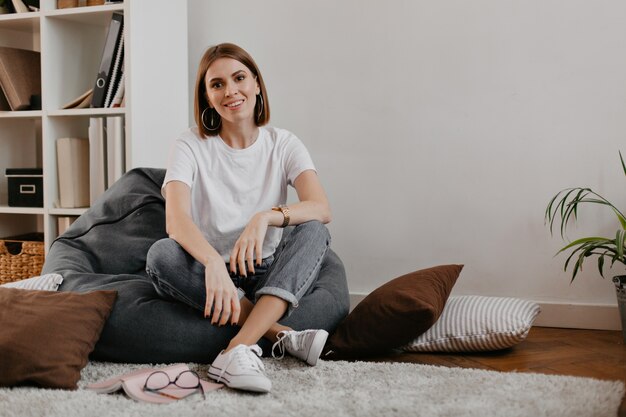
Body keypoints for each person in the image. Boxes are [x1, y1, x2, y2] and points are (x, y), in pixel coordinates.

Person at [145, 43, 333, 394]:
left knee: (314, 231)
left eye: (239, 78)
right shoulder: (189, 144)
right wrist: (213, 261)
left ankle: (235, 349)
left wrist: (265, 217)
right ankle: (276, 334)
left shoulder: (283, 143)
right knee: (161, 255)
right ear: (206, 96)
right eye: (217, 84)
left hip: (266, 270)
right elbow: (176, 220)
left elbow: (321, 207)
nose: (230, 91)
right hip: (208, 275)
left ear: (257, 84)